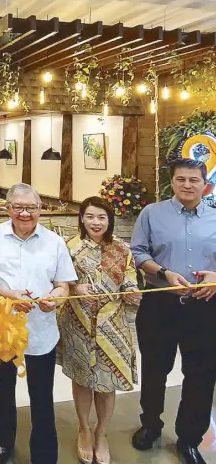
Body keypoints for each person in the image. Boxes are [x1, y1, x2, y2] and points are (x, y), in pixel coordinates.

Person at [0, 183, 77, 464]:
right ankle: (2, 443)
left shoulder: (54, 242)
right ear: (8, 209)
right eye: (18, 207)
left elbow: (63, 284)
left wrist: (55, 298)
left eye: (31, 207)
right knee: (2, 391)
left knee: (41, 395)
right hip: (1, 329)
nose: (25, 213)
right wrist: (8, 295)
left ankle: (43, 450)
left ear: (41, 209)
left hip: (41, 329)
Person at [129, 158, 216, 464]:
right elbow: (138, 252)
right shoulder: (152, 214)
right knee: (154, 369)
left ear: (204, 184)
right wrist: (165, 273)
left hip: (206, 306)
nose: (187, 185)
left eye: (194, 180)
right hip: (160, 303)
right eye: (181, 179)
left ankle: (189, 438)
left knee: (202, 374)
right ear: (172, 182)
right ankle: (151, 424)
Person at [57, 196, 141, 464]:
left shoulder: (123, 250)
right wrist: (75, 288)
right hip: (78, 325)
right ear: (81, 218)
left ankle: (101, 432)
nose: (96, 222)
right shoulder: (67, 248)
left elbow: (129, 281)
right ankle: (83, 428)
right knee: (82, 380)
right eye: (90, 216)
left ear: (109, 220)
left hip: (112, 326)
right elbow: (59, 281)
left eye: (101, 217)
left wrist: (132, 293)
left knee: (107, 383)